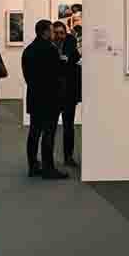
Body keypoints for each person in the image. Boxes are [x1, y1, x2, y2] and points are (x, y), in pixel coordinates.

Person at [22, 20, 68, 180]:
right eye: (52, 31)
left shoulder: (28, 50)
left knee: (34, 132)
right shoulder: (50, 49)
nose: (54, 34)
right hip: (50, 99)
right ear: (45, 32)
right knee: (49, 133)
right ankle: (48, 168)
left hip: (35, 97)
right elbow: (57, 74)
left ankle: (33, 166)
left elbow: (27, 76)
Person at [53, 21, 82, 167]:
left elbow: (73, 60)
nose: (59, 36)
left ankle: (68, 156)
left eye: (61, 33)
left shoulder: (70, 44)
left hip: (69, 93)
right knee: (50, 127)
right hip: (53, 94)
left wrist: (66, 59)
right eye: (56, 33)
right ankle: (48, 159)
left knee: (68, 126)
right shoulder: (49, 46)